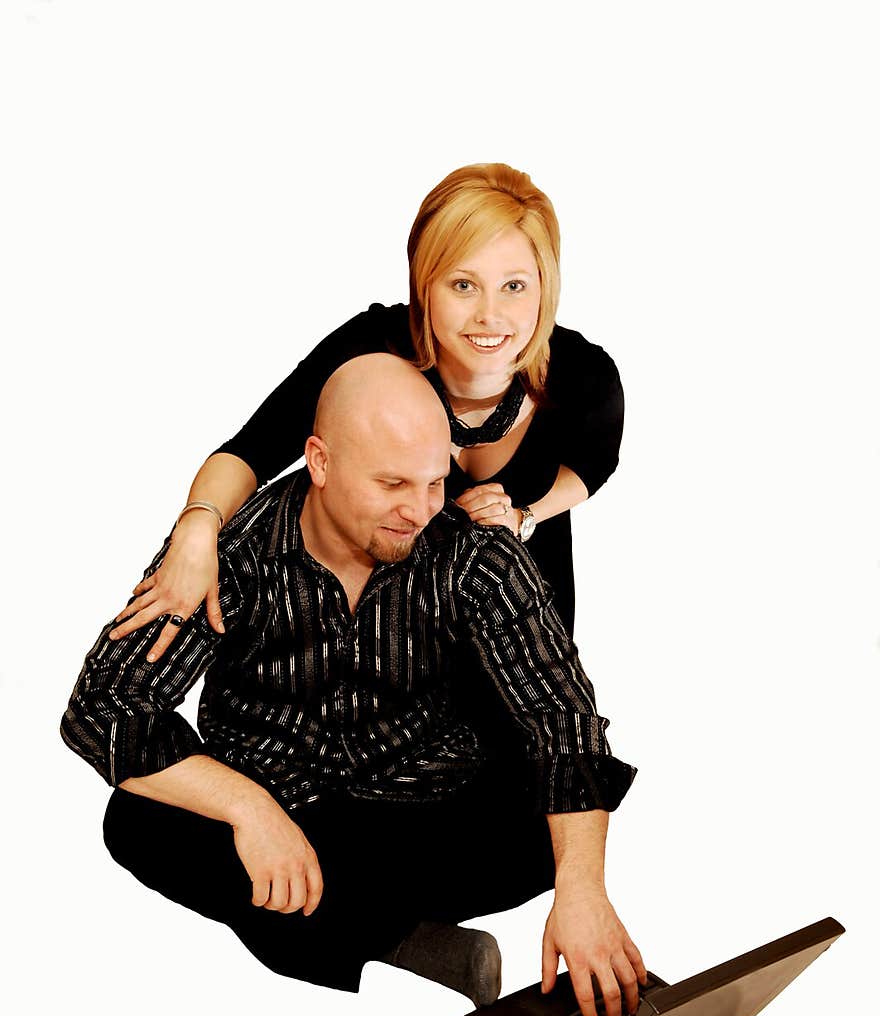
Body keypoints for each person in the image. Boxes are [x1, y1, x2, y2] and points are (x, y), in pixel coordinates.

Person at [62, 356, 646, 1016]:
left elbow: (562, 713)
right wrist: (249, 809)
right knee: (136, 822)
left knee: (554, 824)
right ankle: (405, 940)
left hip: (422, 808)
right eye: (391, 482)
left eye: (433, 481)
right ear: (319, 461)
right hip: (285, 806)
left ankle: (333, 919)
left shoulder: (473, 550)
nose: (420, 509)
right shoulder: (231, 553)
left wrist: (582, 889)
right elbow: (102, 704)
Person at [108, 162, 624, 668]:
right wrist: (198, 528)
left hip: (520, 638)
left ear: (545, 286)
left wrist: (525, 517)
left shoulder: (586, 375)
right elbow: (254, 448)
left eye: (514, 286)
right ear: (424, 286)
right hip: (395, 665)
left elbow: (592, 466)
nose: (490, 315)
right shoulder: (368, 350)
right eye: (463, 285)